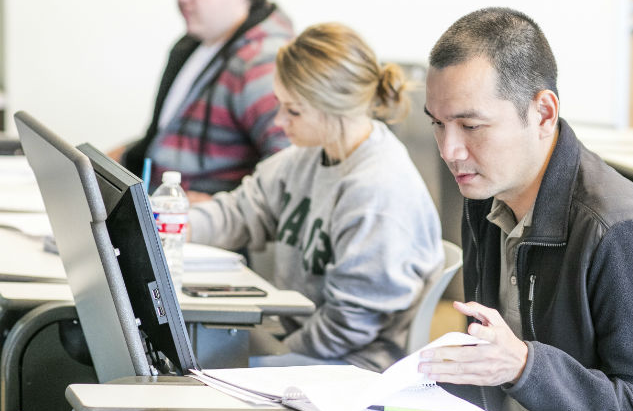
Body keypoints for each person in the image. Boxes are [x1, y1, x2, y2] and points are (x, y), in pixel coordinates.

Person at [418, 7, 633, 411]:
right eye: (437, 123)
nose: (450, 150)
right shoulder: (485, 199)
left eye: (471, 126)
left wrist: (525, 366)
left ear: (544, 113)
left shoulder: (621, 233)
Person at [188, 23, 444, 371]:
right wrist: (171, 226)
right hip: (304, 343)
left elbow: (349, 326)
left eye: (293, 111)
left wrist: (270, 355)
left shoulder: (377, 191)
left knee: (197, 365)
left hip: (350, 368)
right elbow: (240, 211)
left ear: (334, 109)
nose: (279, 121)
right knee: (192, 347)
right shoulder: (309, 156)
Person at [115, 0, 293, 201]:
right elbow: (159, 140)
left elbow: (290, 167)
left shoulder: (262, 63)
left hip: (200, 228)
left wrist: (218, 207)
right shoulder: (194, 44)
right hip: (158, 209)